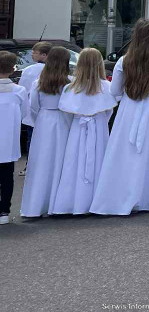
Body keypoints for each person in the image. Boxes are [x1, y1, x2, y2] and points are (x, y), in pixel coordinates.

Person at [91, 19, 149, 215]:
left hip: (131, 106)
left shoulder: (124, 60)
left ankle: (124, 195)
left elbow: (114, 91)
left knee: (128, 151)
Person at [51, 49, 114, 215]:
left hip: (77, 129)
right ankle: (98, 202)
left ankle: (72, 202)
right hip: (99, 128)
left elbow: (66, 115)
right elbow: (108, 112)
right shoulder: (107, 87)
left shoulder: (70, 88)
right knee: (99, 161)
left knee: (74, 163)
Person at [20, 46, 73, 218]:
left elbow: (33, 107)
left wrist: (40, 120)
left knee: (41, 162)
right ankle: (59, 204)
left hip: (44, 121)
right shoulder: (70, 82)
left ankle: (36, 205)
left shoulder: (39, 82)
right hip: (63, 120)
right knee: (62, 161)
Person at [0, 52, 26, 225]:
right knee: (6, 176)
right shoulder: (19, 91)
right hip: (8, 140)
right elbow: (24, 114)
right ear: (12, 69)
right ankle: (4, 211)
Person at [16, 41, 50, 176]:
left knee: (32, 139)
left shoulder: (29, 70)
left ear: (44, 55)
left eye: (35, 53)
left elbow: (23, 89)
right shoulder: (56, 70)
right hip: (50, 111)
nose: (32, 55)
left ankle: (30, 166)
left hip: (33, 109)